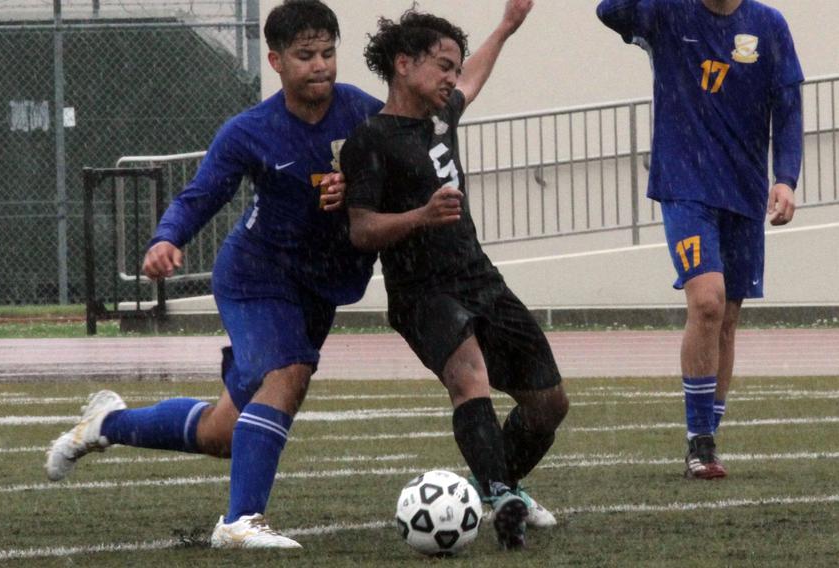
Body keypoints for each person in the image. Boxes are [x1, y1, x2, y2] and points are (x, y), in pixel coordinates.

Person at [45, 0, 383, 549]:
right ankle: (240, 522)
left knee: (223, 432)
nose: (320, 64)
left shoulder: (363, 113)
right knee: (288, 370)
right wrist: (166, 238)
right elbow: (200, 195)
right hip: (257, 276)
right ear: (274, 60)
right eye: (305, 55)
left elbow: (406, 157)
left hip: (316, 288)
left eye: (327, 52)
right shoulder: (251, 130)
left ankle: (106, 424)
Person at [341, 1, 569, 550]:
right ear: (403, 64)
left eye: (454, 66)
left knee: (549, 404)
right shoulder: (369, 141)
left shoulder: (442, 119)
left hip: (480, 279)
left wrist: (508, 27)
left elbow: (476, 76)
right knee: (469, 375)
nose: (452, 76)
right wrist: (421, 215)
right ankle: (500, 497)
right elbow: (361, 229)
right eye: (443, 65)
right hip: (422, 292)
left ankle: (496, 485)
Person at [596, 0, 804, 479]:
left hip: (744, 191)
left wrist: (786, 178)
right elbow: (610, 11)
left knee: (727, 318)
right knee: (707, 302)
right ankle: (700, 442)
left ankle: (706, 438)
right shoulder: (667, 12)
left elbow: (788, 108)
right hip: (685, 185)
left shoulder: (769, 26)